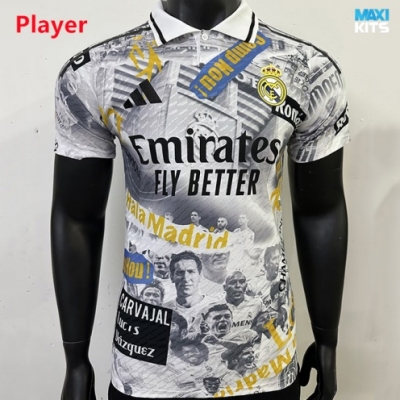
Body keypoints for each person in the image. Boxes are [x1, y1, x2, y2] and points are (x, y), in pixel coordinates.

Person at [51, 0, 349, 399]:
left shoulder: (304, 69)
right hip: (146, 361)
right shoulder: (98, 71)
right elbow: (76, 217)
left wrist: (327, 339)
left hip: (262, 358)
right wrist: (75, 358)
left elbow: (321, 212)